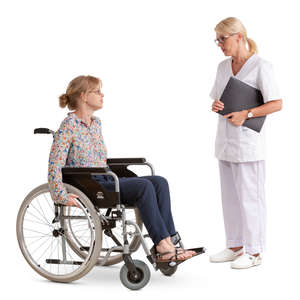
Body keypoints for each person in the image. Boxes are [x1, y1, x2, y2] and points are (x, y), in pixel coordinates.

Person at [48, 75, 195, 262]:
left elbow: (101, 159)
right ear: (84, 96)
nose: (102, 95)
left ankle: (170, 239)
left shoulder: (96, 123)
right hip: (90, 184)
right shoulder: (68, 126)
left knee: (159, 182)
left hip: (106, 178)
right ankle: (162, 245)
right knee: (144, 187)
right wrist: (60, 194)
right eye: (97, 91)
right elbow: (55, 163)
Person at [209, 17, 282, 269]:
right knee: (229, 198)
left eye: (223, 39)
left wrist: (248, 114)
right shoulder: (222, 67)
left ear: (238, 36)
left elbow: (277, 103)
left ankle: (254, 251)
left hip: (249, 144)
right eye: (216, 39)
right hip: (226, 142)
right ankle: (235, 245)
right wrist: (216, 105)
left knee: (251, 198)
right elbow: (217, 100)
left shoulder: (262, 66)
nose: (219, 44)